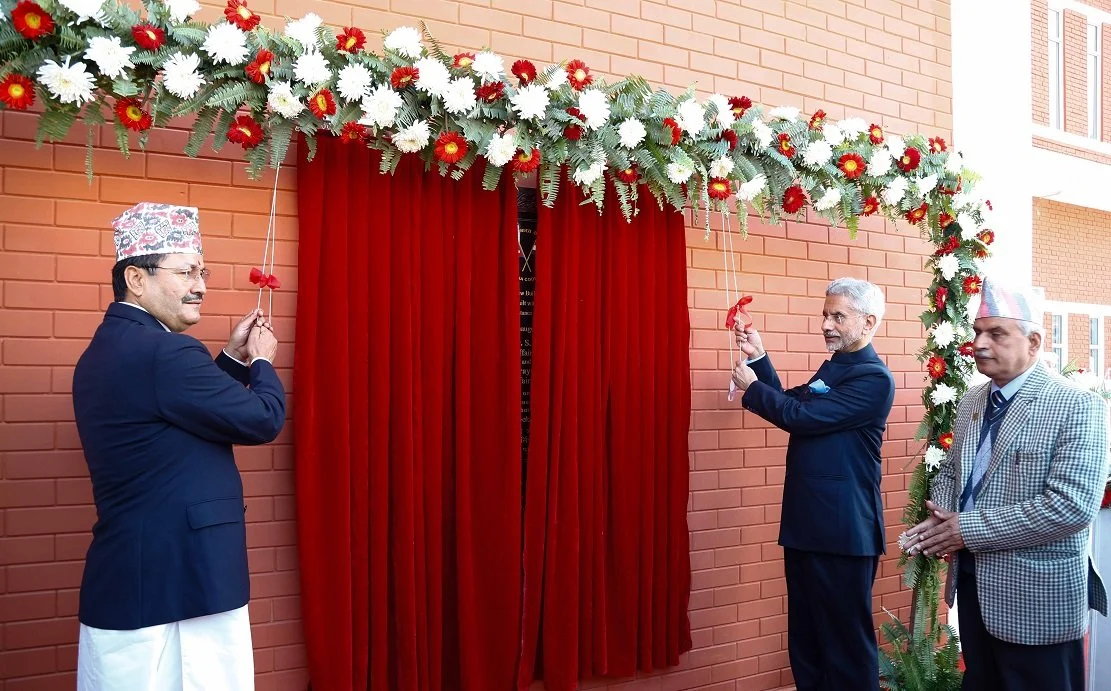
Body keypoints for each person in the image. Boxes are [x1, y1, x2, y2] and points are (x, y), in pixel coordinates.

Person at [72, 202, 286, 690]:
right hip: (184, 580)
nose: (201, 286)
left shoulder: (114, 346)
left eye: (201, 272)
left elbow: (179, 409)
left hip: (141, 574)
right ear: (136, 278)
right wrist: (261, 362)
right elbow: (262, 419)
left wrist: (229, 358)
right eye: (186, 271)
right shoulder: (164, 352)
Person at [903, 277, 1108, 691]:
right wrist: (940, 520)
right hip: (974, 590)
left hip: (1037, 601)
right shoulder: (972, 401)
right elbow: (953, 472)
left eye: (996, 334)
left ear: (1034, 342)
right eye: (977, 332)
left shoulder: (1077, 406)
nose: (979, 344)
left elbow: (1070, 506)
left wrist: (963, 530)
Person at [730, 277, 895, 691]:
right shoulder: (836, 367)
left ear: (868, 321)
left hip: (843, 535)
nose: (826, 325)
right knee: (807, 645)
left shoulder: (873, 378)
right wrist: (759, 357)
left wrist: (753, 387)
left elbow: (800, 418)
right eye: (825, 315)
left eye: (838, 316)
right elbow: (793, 403)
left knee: (845, 650)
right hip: (807, 527)